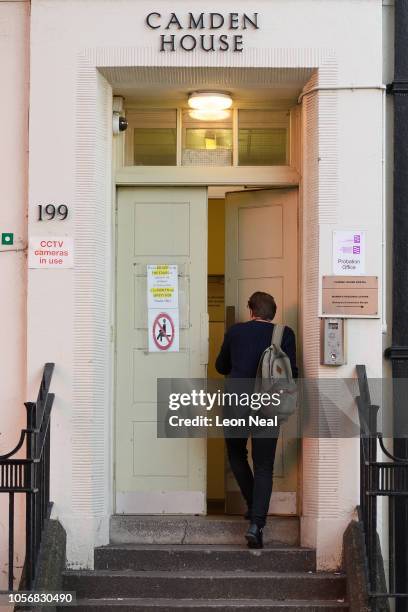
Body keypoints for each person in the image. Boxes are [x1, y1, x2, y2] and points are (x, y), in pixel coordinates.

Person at [215, 291, 298, 548]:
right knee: (264, 465)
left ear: (251, 310)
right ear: (272, 313)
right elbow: (293, 372)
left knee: (237, 454)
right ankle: (256, 524)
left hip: (236, 404)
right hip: (268, 406)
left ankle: (253, 505)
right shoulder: (285, 334)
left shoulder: (235, 332)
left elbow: (221, 366)